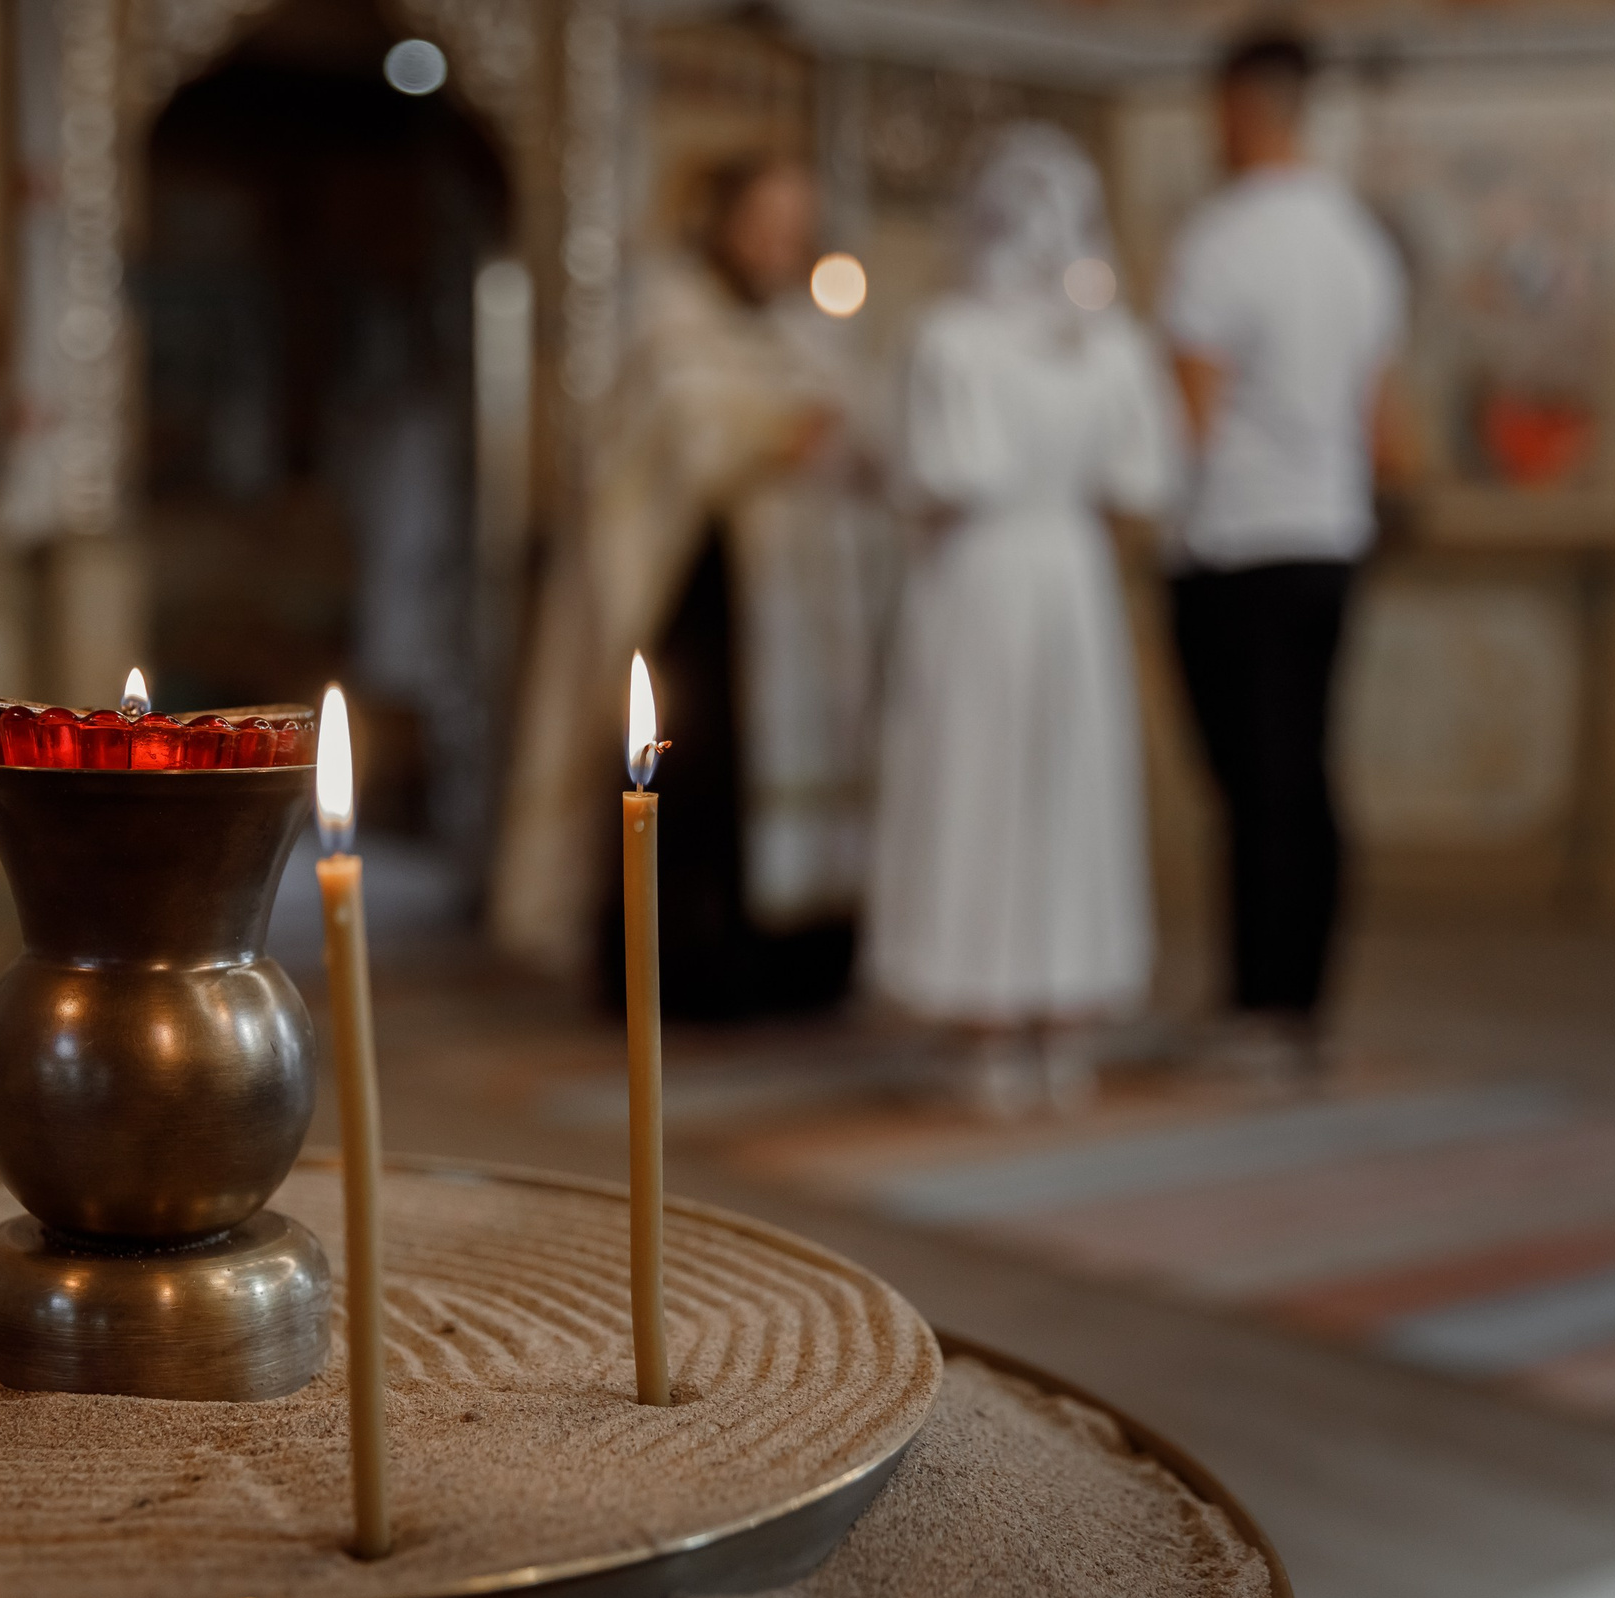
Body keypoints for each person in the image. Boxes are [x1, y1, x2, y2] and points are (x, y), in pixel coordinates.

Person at [492, 157, 893, 1018]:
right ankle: (682, 970)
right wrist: (777, 433)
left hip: (798, 612)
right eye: (766, 222)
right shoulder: (668, 314)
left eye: (796, 226)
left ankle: (797, 961)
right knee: (693, 779)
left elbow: (865, 427)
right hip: (697, 596)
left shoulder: (804, 329)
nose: (780, 243)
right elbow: (682, 432)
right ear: (722, 221)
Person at [862, 123, 1183, 1114]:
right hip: (1073, 575)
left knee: (978, 782)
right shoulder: (1113, 343)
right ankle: (1062, 1028)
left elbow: (932, 476)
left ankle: (988, 1028)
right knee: (1066, 787)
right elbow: (1145, 480)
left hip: (980, 575)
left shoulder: (949, 337)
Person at [1160, 28, 1412, 1072]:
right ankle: (1299, 1002)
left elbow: (1191, 420)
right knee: (1303, 769)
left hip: (1234, 544)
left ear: (1235, 106)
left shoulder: (1220, 240)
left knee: (1254, 782)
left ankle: (1260, 1010)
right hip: (1329, 538)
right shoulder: (1360, 242)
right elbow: (1382, 422)